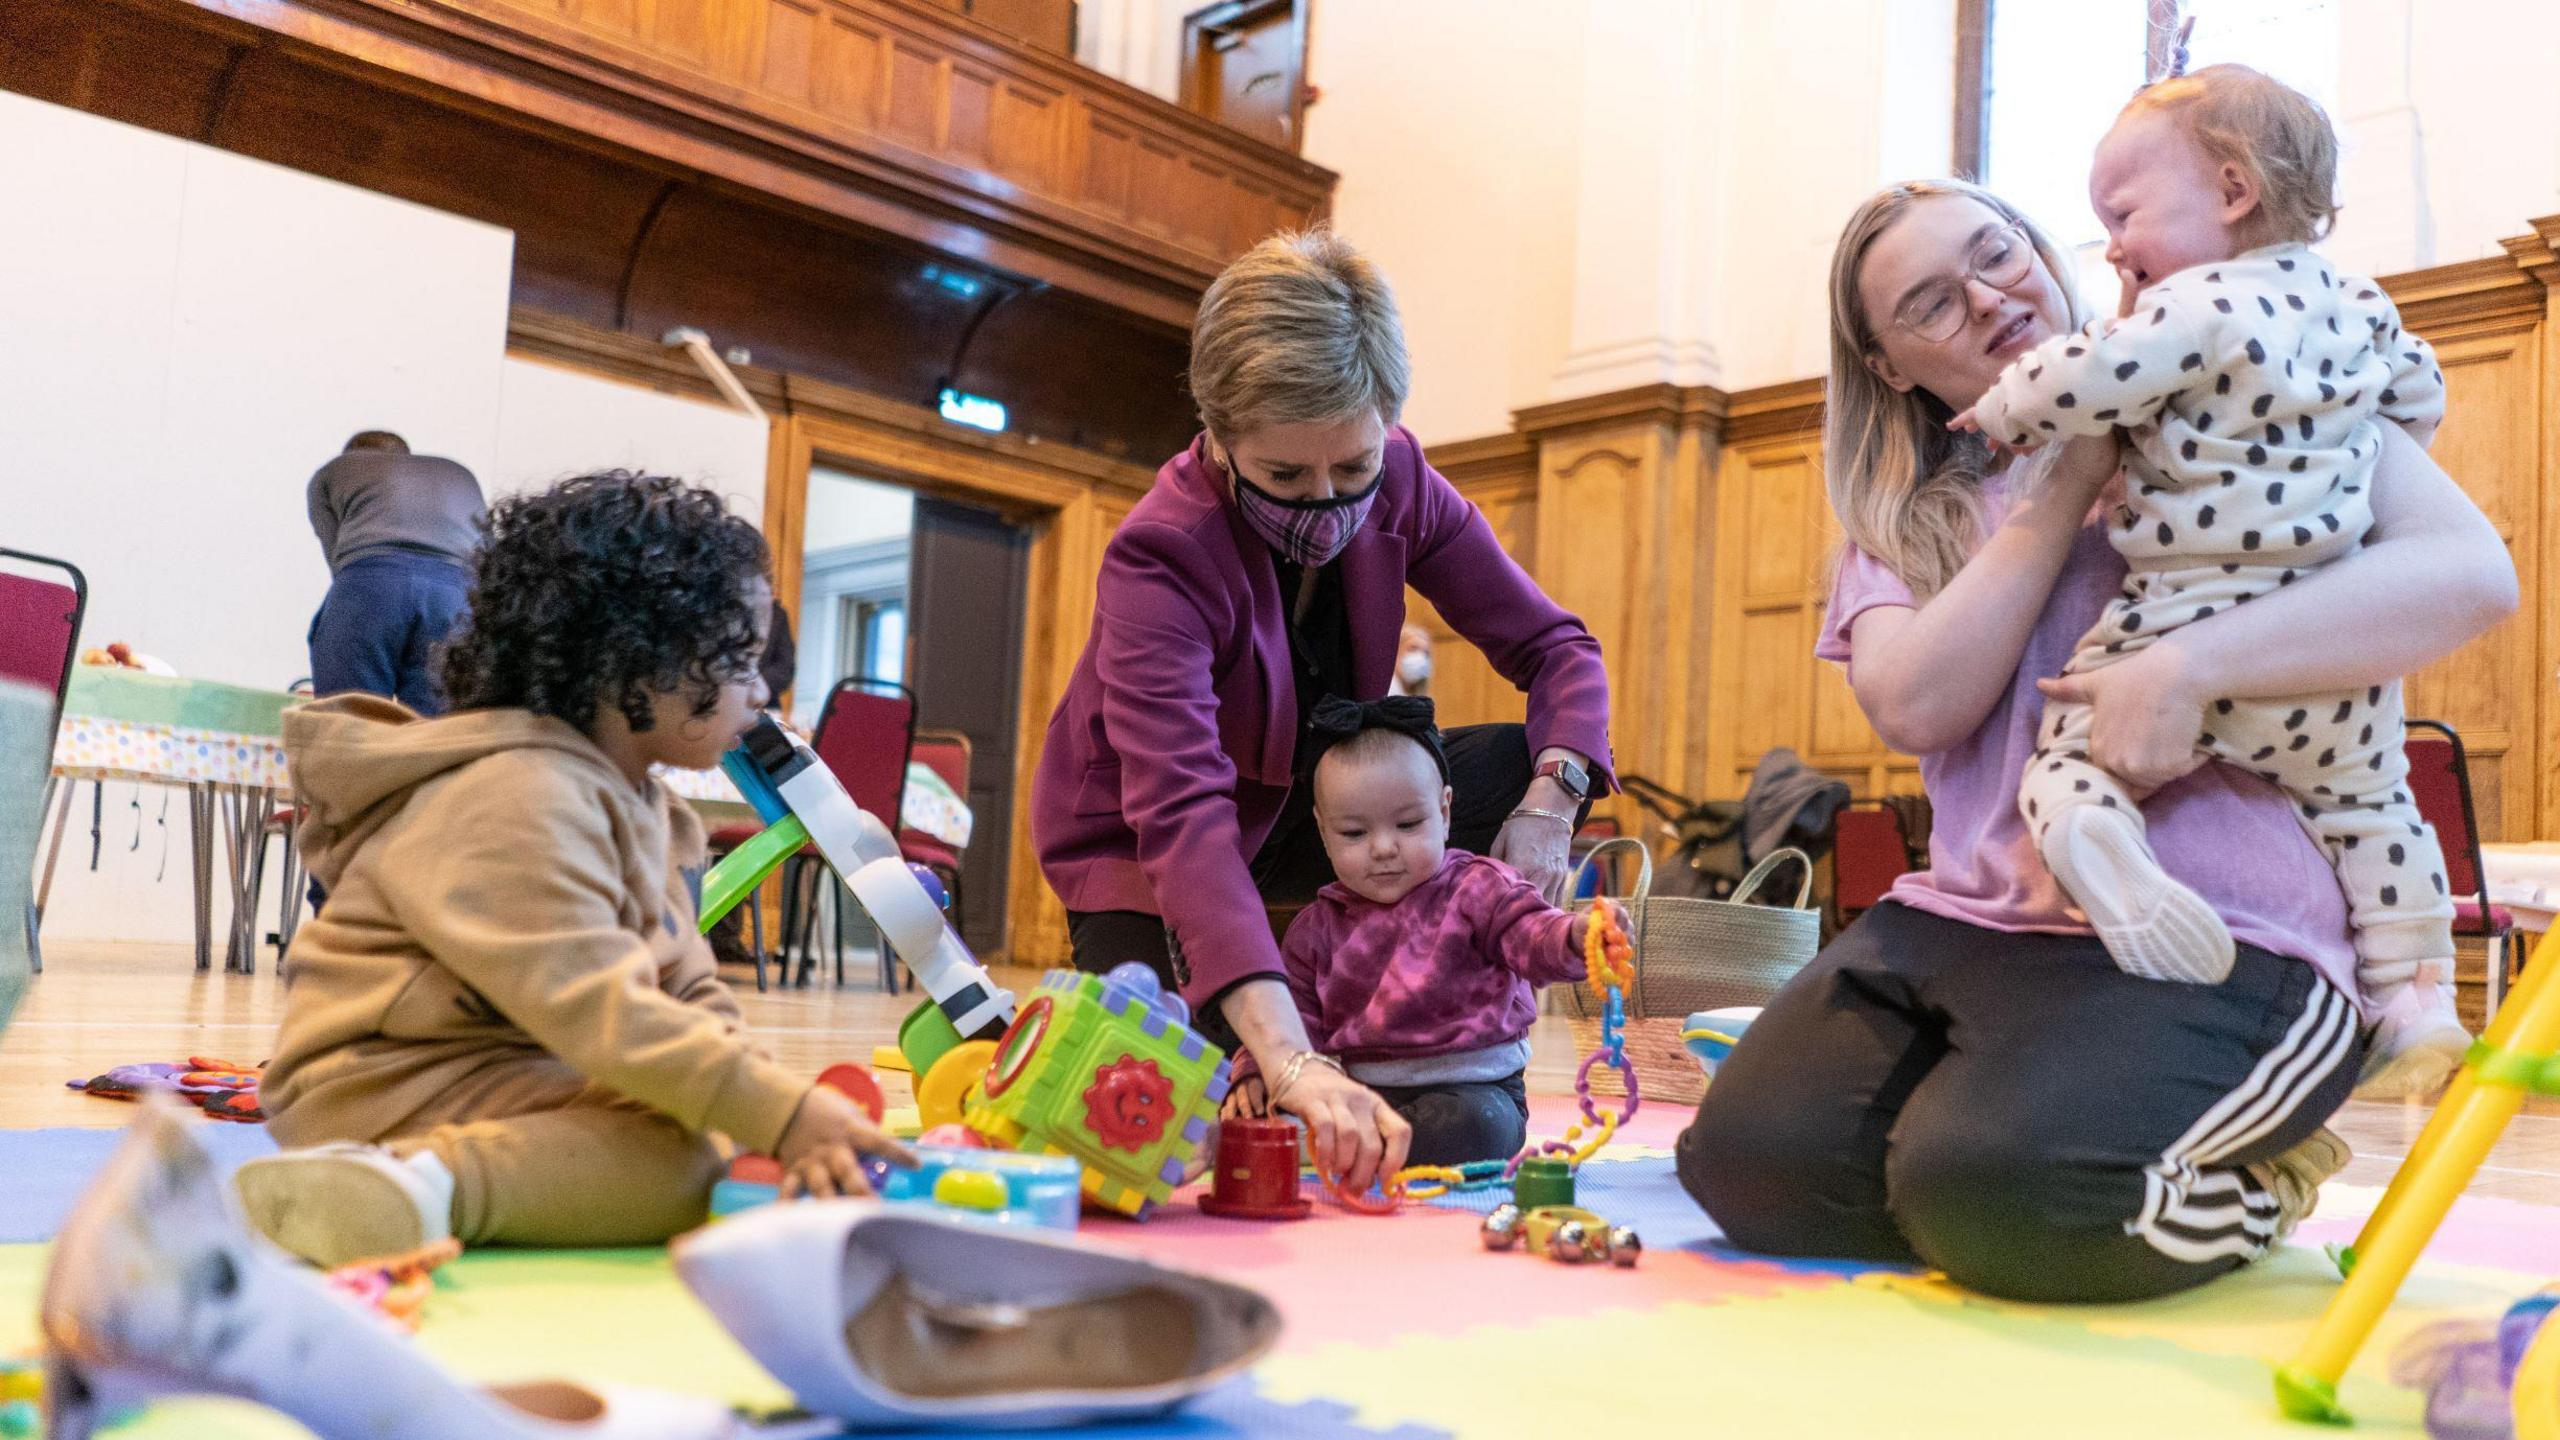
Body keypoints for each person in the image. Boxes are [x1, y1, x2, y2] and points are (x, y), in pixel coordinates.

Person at [1677, 178, 2515, 1305]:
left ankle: (2259, 1176)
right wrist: (2064, 472)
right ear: (1889, 366)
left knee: (2010, 1198)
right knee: (1747, 1166)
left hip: (2228, 928)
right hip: (1968, 921)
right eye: (1929, 303)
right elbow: (1919, 706)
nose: (1984, 298)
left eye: (1995, 253)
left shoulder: (2241, 389)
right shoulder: (1908, 516)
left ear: (2039, 248)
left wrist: (2190, 665)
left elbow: (2468, 576)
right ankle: (1994, 1156)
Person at [1031, 230, 1613, 1194]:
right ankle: (1304, 1026)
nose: (1326, 504)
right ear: (1217, 433)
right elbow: (1183, 817)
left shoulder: (1408, 480)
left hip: (1308, 803)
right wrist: (1288, 1060)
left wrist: (1551, 804)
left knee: (1519, 762)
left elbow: (1558, 650)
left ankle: (1433, 1029)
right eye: (1285, 477)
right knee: (1166, 1102)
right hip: (1139, 845)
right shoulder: (1159, 555)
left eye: (1351, 469)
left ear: (1385, 421)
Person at [1948, 65, 2463, 1096]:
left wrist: (2002, 409)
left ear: (2230, 193)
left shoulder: (2188, 306)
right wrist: (2352, 446)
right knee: (2376, 809)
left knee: (2070, 761)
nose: (2113, 247)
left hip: (2185, 607)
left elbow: (2079, 377)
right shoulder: (2357, 303)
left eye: (2124, 214)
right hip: (2325, 646)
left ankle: (2100, 840)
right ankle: (2416, 990)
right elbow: (2422, 390)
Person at [240, 472, 908, 1266]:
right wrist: (775, 1111)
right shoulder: (522, 791)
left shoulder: (655, 812)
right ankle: (408, 1185)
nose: (761, 689)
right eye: (738, 660)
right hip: (379, 1082)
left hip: (509, 1064)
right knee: (679, 1163)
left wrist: (759, 1101)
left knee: (699, 1132)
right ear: (635, 668)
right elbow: (599, 1009)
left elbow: (685, 985)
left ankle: (419, 1179)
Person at [1278, 697, 1625, 1166]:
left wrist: (1576, 937)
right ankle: (1362, 1142)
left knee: (1475, 1127)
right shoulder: (1316, 928)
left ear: (1444, 813)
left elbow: (1532, 934)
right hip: (1365, 1094)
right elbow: (1291, 1023)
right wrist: (1259, 1077)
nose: (1384, 848)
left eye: (1407, 824)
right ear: (1323, 831)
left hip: (1477, 1089)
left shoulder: (1480, 888)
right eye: (1354, 834)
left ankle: (1365, 1148)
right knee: (1272, 1110)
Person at [305, 431, 485, 715]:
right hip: (457, 594)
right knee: (438, 728)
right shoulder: (459, 474)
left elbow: (338, 561)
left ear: (351, 456)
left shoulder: (334, 471)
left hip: (374, 583)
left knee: (348, 720)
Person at [1389, 622, 1434, 696]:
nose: (1420, 657)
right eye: (1413, 648)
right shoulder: (1382, 693)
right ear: (1395, 651)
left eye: (1426, 653)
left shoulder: (1421, 698)